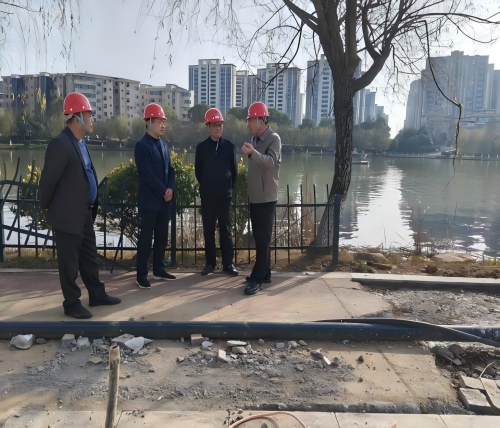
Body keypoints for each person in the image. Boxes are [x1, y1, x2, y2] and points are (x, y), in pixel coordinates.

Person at [39, 92, 121, 319]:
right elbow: (47, 182)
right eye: (89, 115)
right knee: (69, 263)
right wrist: (50, 209)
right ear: (76, 118)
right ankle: (71, 303)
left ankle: (96, 294)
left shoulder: (81, 144)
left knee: (89, 258)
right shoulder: (60, 144)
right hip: (67, 215)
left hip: (84, 212)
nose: (92, 119)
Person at [241, 102, 281, 295]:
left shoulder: (274, 139)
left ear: (259, 120)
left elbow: (270, 163)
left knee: (263, 238)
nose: (248, 124)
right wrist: (253, 151)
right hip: (255, 197)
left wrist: (253, 153)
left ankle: (257, 278)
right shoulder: (254, 140)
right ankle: (265, 273)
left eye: (250, 120)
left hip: (266, 197)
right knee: (259, 237)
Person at [134, 103, 176, 289]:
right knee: (146, 239)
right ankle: (141, 274)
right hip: (149, 202)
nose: (163, 125)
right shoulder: (142, 145)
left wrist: (170, 188)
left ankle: (159, 269)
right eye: (160, 121)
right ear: (149, 121)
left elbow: (171, 171)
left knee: (161, 237)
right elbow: (146, 174)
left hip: (163, 202)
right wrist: (163, 191)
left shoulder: (164, 146)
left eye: (164, 122)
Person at [195, 108, 238, 276]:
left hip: (224, 197)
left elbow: (234, 172)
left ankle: (228, 264)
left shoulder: (230, 147)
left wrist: (227, 188)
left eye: (220, 125)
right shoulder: (201, 148)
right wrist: (208, 185)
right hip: (208, 197)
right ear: (208, 126)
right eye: (214, 125)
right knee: (208, 231)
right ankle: (210, 263)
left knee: (226, 231)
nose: (218, 128)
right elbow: (198, 172)